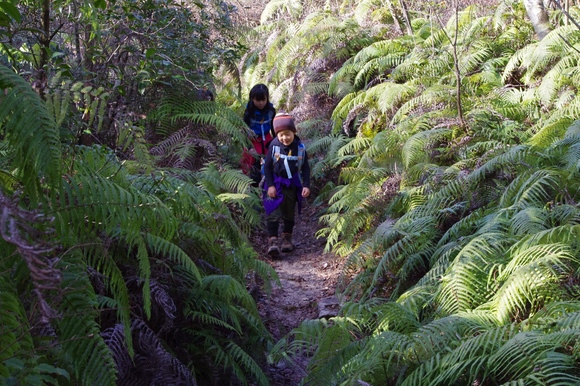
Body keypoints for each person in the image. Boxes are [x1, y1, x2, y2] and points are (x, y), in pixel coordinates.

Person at [263, 113, 311, 256]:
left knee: (289, 212)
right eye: (281, 135)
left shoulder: (300, 148)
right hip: (275, 184)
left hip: (291, 185)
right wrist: (270, 185)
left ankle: (286, 239)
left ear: (294, 132)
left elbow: (306, 167)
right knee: (273, 212)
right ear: (277, 134)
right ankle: (273, 241)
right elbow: (267, 167)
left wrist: (306, 185)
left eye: (288, 134)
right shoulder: (274, 146)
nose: (285, 138)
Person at [241, 84, 276, 185]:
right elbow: (244, 130)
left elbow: (273, 126)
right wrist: (249, 146)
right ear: (252, 99)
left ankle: (269, 185)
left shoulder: (271, 111)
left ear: (267, 98)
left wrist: (276, 140)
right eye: (258, 100)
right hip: (253, 141)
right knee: (254, 165)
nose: (261, 103)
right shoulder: (249, 113)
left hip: (267, 139)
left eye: (263, 100)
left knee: (270, 163)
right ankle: (254, 189)